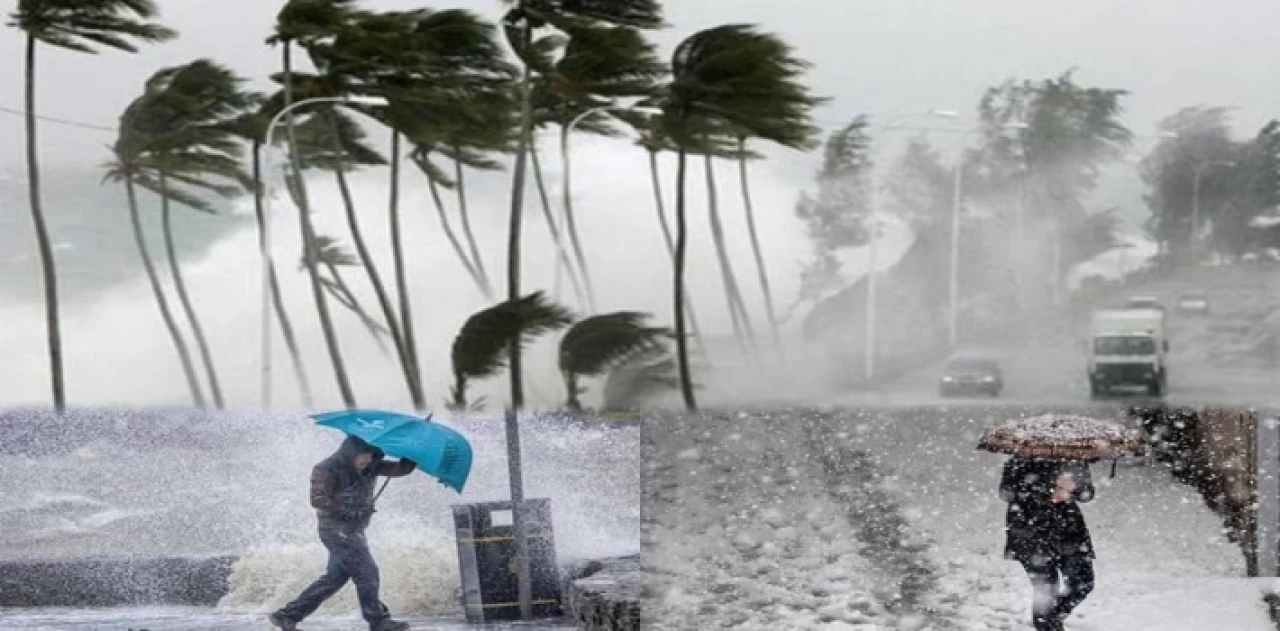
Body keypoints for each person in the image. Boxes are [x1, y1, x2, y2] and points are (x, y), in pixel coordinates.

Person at [269, 436, 417, 631]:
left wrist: (412, 450)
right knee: (367, 571)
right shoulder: (327, 468)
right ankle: (378, 621)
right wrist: (349, 511)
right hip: (334, 529)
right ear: (350, 453)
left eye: (371, 456)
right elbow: (318, 500)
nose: (367, 461)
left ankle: (287, 616)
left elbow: (402, 469)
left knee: (335, 578)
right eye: (363, 456)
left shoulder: (373, 465)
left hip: (355, 530)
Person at [999, 456, 1096, 631]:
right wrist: (1048, 489)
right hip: (1031, 534)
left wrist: (1074, 489)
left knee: (1083, 582)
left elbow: (1087, 493)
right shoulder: (1020, 460)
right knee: (1046, 590)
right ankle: (1047, 624)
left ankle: (1051, 619)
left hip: (1069, 532)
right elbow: (1006, 492)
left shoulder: (1074, 459)